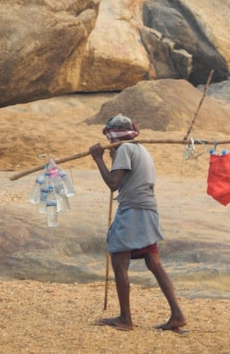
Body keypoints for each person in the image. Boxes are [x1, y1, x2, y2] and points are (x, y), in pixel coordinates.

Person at [90, 114, 187, 332]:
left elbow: (113, 183)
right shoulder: (141, 149)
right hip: (148, 209)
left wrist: (98, 159)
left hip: (133, 210)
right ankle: (177, 315)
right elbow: (126, 176)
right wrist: (114, 158)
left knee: (119, 259)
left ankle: (125, 318)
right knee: (153, 262)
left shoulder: (125, 149)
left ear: (114, 134)